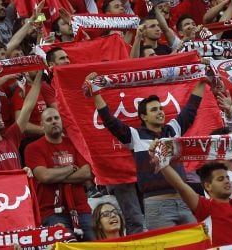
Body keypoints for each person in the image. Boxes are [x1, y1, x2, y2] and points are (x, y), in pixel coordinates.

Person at [88, 73, 206, 231]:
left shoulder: (173, 129)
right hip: (157, 206)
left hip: (185, 201)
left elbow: (192, 107)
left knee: (196, 245)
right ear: (143, 116)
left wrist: (203, 78)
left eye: (161, 108)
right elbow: (109, 120)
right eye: (154, 110)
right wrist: (95, 92)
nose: (160, 112)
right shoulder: (134, 136)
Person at [156, 160, 232, 246]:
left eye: (227, 177)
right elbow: (180, 186)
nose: (227, 181)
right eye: (220, 179)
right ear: (208, 186)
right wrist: (162, 162)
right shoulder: (205, 207)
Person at [25, 108, 95, 240]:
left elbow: (87, 173)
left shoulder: (73, 143)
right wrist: (71, 168)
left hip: (81, 209)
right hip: (51, 212)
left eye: (56, 118)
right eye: (49, 119)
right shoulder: (33, 148)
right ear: (42, 124)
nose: (54, 122)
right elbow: (44, 176)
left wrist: (56, 176)